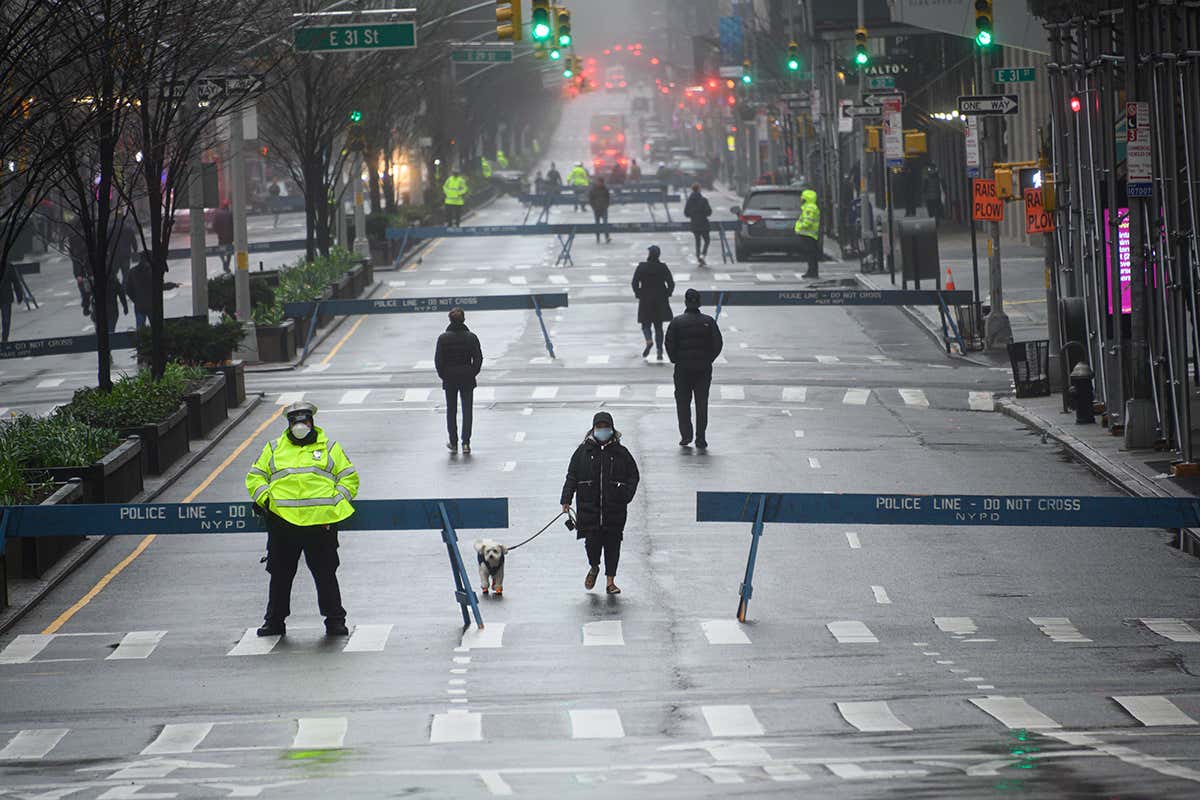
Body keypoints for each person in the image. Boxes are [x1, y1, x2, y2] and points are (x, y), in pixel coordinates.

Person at [246, 401, 358, 638]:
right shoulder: (274, 448)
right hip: (283, 523)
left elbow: (349, 478)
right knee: (280, 574)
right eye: (295, 421)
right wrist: (267, 501)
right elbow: (255, 476)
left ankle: (335, 620)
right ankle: (274, 621)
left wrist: (334, 505)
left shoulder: (329, 448)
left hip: (320, 523)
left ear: (312, 422)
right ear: (289, 424)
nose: (300, 425)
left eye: (304, 420)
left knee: (325, 573)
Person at [560, 411, 640, 595]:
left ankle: (610, 582)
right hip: (589, 508)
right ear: (593, 429)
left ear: (612, 429)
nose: (603, 431)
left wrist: (626, 494)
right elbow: (572, 476)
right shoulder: (583, 452)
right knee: (592, 544)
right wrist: (566, 499)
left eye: (606, 427)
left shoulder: (621, 453)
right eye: (599, 427)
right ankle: (594, 566)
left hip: (615, 509)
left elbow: (633, 475)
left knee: (613, 545)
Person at [666, 289, 723, 449]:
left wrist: (675, 359)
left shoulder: (677, 322)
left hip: (682, 369)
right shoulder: (709, 321)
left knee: (683, 403)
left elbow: (669, 343)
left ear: (685, 302)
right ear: (699, 302)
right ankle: (701, 438)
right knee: (701, 403)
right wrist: (708, 359)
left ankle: (686, 435)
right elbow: (717, 344)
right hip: (703, 369)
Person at [434, 307, 483, 455]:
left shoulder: (443, 339)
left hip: (450, 377)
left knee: (451, 410)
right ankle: (466, 442)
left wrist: (443, 374)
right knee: (467, 410)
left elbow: (438, 360)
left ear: (450, 320)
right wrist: (472, 371)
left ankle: (453, 442)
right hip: (467, 376)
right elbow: (478, 358)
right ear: (464, 320)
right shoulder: (471, 337)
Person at [631, 244, 675, 360]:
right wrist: (667, 293)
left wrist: (638, 293)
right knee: (658, 326)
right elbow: (671, 283)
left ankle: (648, 339)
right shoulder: (662, 267)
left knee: (645, 324)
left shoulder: (642, 267)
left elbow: (634, 282)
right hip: (660, 299)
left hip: (645, 298)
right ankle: (659, 350)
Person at [683, 183, 713, 266]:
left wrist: (693, 215)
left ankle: (698, 256)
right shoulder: (703, 200)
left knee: (697, 241)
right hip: (703, 223)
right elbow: (709, 212)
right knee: (707, 240)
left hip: (694, 223)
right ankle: (703, 255)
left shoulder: (689, 200)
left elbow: (686, 213)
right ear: (699, 189)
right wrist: (703, 213)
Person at [794, 189, 821, 279]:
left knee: (811, 255)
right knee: (810, 255)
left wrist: (801, 226)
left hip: (809, 235)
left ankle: (812, 272)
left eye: (802, 197)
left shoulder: (810, 207)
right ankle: (811, 272)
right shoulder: (809, 207)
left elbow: (808, 221)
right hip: (808, 234)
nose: (801, 199)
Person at [0, 264, 24, 343]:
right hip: (6, 297)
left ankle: (4, 339)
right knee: (6, 320)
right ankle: (4, 339)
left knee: (6, 320)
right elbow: (16, 281)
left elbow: (15, 281)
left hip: (6, 297)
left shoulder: (9, 267)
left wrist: (19, 295)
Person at [588, 177, 612, 244]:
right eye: (598, 182)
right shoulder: (593, 190)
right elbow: (590, 199)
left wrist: (606, 206)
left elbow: (608, 198)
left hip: (604, 209)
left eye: (601, 183)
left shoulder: (605, 189)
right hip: (596, 209)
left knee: (605, 223)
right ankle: (598, 238)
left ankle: (607, 237)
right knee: (597, 224)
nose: (599, 184)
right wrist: (593, 207)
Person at [213, 203, 234, 273]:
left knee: (221, 250)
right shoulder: (230, 214)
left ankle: (224, 261)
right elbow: (233, 224)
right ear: (227, 207)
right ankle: (227, 264)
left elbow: (214, 225)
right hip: (230, 237)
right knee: (229, 251)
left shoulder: (217, 214)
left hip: (221, 237)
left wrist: (218, 232)